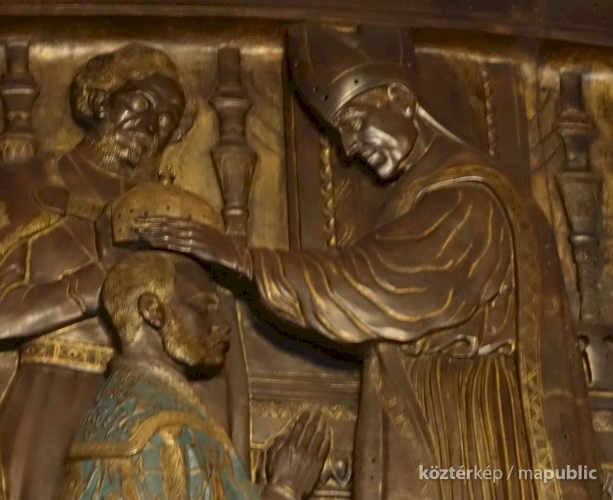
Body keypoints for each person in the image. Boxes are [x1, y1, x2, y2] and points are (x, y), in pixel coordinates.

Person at [137, 22, 600, 499]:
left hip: (471, 428)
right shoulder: (424, 196)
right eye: (342, 132)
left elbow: (378, 283)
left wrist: (245, 259)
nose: (349, 147)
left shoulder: (469, 200)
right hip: (438, 409)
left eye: (356, 122)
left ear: (400, 99)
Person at [0, 44, 193, 500]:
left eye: (166, 121)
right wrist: (95, 282)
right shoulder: (21, 187)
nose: (149, 126)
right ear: (102, 99)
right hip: (49, 402)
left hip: (144, 412)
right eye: (141, 103)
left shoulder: (170, 214)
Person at [59, 251, 330, 500]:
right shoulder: (151, 431)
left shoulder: (139, 408)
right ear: (153, 310)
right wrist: (285, 489)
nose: (221, 324)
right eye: (202, 308)